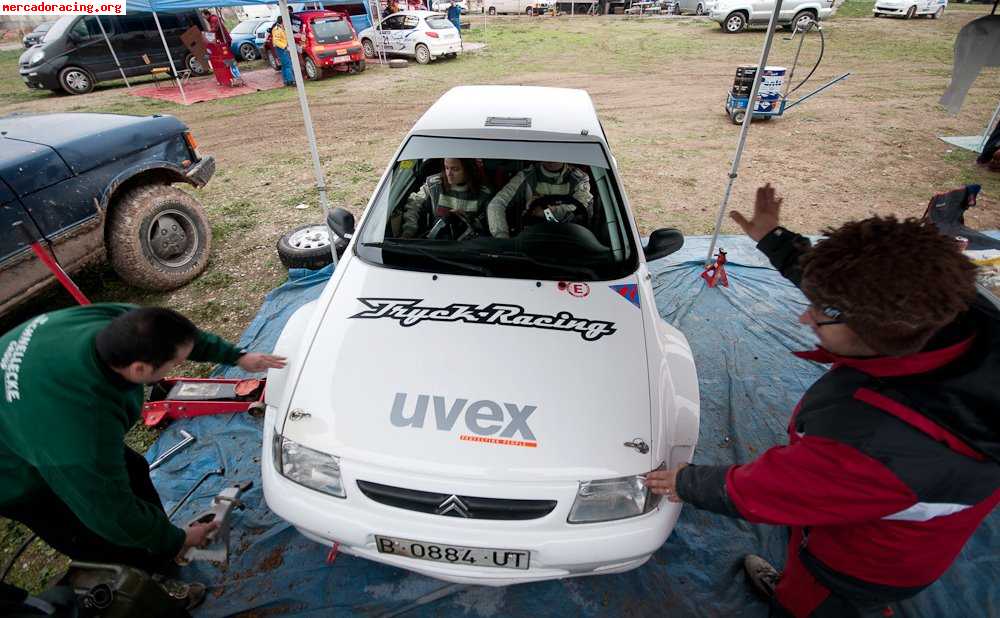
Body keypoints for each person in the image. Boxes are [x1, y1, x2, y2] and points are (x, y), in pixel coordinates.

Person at [645, 184, 1000, 617]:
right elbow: (857, 289)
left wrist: (685, 482)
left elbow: (770, 489)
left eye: (821, 313)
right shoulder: (947, 307)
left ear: (874, 330)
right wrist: (774, 238)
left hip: (860, 564)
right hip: (894, 521)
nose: (804, 316)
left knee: (814, 602)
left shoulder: (875, 442)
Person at [0, 304, 286, 611]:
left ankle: (159, 546)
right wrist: (179, 539)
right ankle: (149, 591)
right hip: (17, 473)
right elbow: (113, 515)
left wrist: (237, 356)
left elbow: (177, 335)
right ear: (139, 369)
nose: (180, 365)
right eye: (174, 363)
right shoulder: (81, 431)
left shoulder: (113, 324)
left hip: (35, 412)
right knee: (95, 535)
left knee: (134, 470)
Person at [485, 161, 593, 238]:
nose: (551, 157)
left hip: (569, 237)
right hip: (533, 238)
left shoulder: (579, 178)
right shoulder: (527, 176)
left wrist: (546, 212)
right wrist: (502, 237)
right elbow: (497, 204)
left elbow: (581, 206)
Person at [400, 158, 492, 239]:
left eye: (455, 169)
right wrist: (408, 232)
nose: (449, 174)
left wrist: (465, 219)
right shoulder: (434, 185)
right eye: (446, 168)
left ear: (468, 170)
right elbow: (414, 204)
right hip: (434, 244)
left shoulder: (483, 194)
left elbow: (486, 227)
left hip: (466, 247)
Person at [271, 16, 295, 87]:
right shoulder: (277, 29)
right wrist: (285, 47)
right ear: (282, 21)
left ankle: (286, 81)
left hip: (282, 48)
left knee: (285, 65)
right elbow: (276, 41)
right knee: (288, 64)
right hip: (281, 49)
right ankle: (291, 81)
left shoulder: (281, 28)